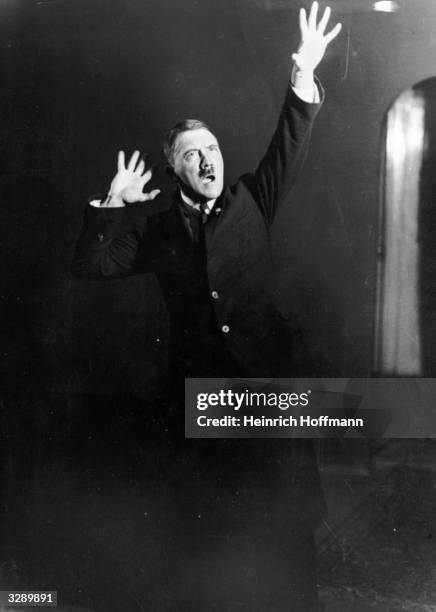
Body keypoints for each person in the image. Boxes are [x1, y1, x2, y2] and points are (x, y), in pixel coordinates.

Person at [72, 3, 341, 610]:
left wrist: (302, 73)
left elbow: (289, 141)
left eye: (212, 147)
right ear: (174, 168)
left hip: (268, 396)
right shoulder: (157, 230)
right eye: (192, 154)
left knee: (286, 536)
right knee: (216, 535)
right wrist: (111, 207)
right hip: (204, 403)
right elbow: (89, 266)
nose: (208, 159)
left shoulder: (251, 199)